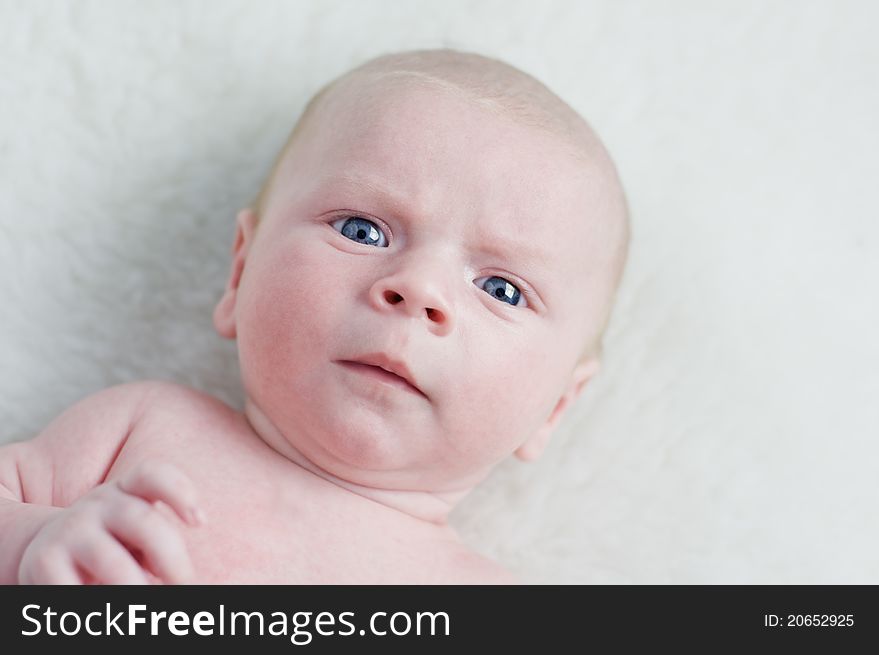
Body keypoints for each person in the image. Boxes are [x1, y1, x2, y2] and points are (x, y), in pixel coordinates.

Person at [0, 48, 629, 584]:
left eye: (503, 289)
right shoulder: (142, 427)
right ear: (240, 275)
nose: (418, 290)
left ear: (555, 408)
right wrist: (29, 542)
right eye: (364, 229)